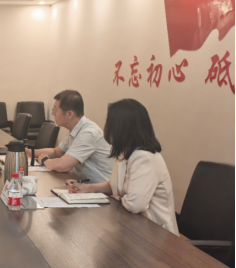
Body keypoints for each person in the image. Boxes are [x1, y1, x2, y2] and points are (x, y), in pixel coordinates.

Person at [67, 99, 179, 236]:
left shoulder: (144, 157)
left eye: (109, 122)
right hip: (132, 225)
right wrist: (88, 188)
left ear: (121, 128)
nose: (106, 127)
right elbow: (115, 185)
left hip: (157, 234)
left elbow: (135, 205)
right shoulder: (124, 152)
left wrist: (119, 198)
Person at [32, 90, 113, 183]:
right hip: (82, 184)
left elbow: (63, 165)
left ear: (70, 114)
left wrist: (45, 160)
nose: (52, 113)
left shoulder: (88, 133)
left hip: (99, 189)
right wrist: (30, 152)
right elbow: (56, 152)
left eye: (55, 110)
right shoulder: (75, 130)